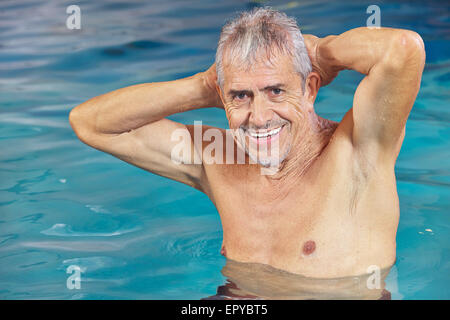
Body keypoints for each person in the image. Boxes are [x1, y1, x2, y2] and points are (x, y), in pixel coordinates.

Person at [69, 7, 425, 278]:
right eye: (241, 96)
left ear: (310, 88)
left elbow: (402, 50)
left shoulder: (358, 152)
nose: (259, 116)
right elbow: (91, 124)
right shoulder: (219, 157)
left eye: (276, 90)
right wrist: (204, 86)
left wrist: (321, 52)